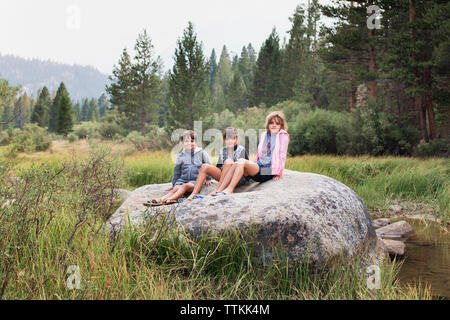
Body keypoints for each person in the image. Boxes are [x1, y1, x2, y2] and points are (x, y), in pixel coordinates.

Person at [214, 111, 289, 195]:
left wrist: (279, 172)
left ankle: (230, 189)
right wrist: (252, 164)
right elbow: (259, 153)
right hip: (259, 167)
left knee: (242, 161)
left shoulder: (283, 136)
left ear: (281, 126)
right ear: (268, 124)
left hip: (269, 170)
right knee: (237, 163)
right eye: (271, 123)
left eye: (277, 123)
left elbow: (282, 155)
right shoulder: (264, 135)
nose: (274, 125)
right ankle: (219, 190)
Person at [146, 130, 211, 205]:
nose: (189, 143)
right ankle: (160, 200)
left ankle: (169, 199)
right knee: (176, 188)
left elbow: (208, 165)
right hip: (183, 180)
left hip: (195, 181)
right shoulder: (181, 156)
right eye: (186, 141)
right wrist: (174, 184)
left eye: (192, 141)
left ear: (196, 142)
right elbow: (176, 171)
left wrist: (208, 179)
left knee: (185, 186)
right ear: (182, 143)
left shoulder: (202, 153)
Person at [186, 127, 248, 201]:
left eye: (232, 139)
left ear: (236, 139)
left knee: (228, 162)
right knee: (205, 166)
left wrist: (228, 165)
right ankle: (194, 193)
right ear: (224, 140)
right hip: (224, 176)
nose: (230, 141)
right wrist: (222, 168)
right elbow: (218, 167)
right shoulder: (223, 150)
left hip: (237, 178)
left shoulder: (241, 149)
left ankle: (217, 190)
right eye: (227, 139)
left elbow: (244, 168)